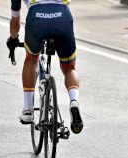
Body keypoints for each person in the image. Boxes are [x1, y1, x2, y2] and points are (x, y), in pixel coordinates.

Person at [7, 0, 83, 134]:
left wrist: (13, 39)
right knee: (69, 68)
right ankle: (74, 101)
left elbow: (15, 19)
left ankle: (28, 110)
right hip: (63, 16)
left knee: (31, 58)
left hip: (37, 18)